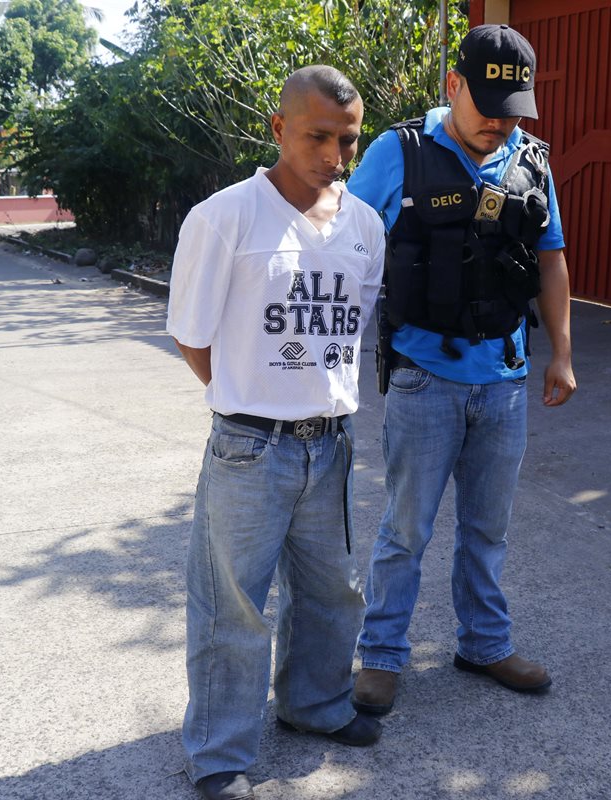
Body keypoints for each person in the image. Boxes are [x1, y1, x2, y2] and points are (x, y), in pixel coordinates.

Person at [166, 65, 385, 800]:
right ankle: (219, 752)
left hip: (332, 442)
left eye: (347, 140)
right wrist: (247, 400)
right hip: (249, 447)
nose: (334, 155)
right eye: (318, 136)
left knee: (333, 593)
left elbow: (354, 330)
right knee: (233, 604)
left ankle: (316, 706)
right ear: (279, 127)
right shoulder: (224, 218)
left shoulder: (365, 225)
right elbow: (193, 338)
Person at [346, 24, 577, 716]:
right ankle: (382, 655)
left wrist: (562, 351)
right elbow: (343, 245)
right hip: (424, 377)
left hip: (504, 380)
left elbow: (551, 259)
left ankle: (484, 643)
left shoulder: (531, 161)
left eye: (514, 109)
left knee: (488, 528)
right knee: (406, 528)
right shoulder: (398, 153)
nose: (500, 123)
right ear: (453, 87)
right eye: (488, 105)